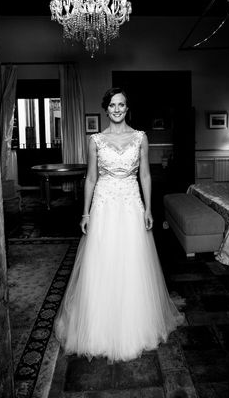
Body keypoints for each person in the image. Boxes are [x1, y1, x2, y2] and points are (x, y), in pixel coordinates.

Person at [53, 87, 184, 362]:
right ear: (106, 108)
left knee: (131, 261)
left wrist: (149, 208)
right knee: (102, 261)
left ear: (127, 108)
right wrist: (86, 213)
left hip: (131, 204)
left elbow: (145, 175)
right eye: (112, 105)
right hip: (103, 204)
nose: (116, 109)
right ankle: (100, 325)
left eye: (121, 105)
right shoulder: (96, 140)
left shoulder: (140, 137)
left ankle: (134, 324)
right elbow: (90, 178)